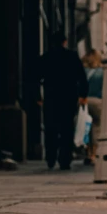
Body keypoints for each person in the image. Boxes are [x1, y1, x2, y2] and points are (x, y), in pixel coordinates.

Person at [37, 31, 88, 170]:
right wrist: (83, 94)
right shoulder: (72, 57)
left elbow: (35, 78)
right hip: (68, 97)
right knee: (67, 129)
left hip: (51, 97)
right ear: (64, 42)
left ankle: (51, 157)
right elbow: (82, 77)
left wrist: (37, 97)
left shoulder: (45, 58)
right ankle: (65, 159)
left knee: (51, 128)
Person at [82, 50, 103, 166]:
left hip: (83, 101)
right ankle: (94, 154)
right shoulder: (102, 72)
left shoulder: (83, 72)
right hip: (97, 101)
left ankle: (87, 152)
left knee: (85, 126)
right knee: (97, 126)